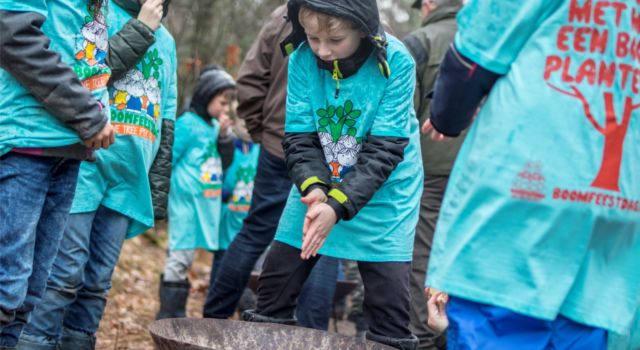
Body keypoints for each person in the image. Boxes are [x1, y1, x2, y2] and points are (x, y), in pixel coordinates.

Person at [424, 1, 639, 348]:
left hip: (524, 194)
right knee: (582, 326)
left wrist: (448, 115)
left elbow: (472, 57)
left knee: (499, 326)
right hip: (618, 204)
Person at [241, 1, 423, 349]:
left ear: (363, 29)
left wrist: (337, 206)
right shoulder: (301, 60)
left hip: (386, 193)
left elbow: (384, 151)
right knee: (276, 283)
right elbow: (299, 137)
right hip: (321, 183)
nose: (323, 51)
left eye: (335, 39)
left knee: (388, 305)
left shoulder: (396, 63)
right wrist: (313, 189)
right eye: (313, 38)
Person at [17, 0, 177, 348]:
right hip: (87, 164)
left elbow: (167, 117)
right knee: (63, 275)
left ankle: (78, 341)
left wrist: (157, 188)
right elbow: (86, 74)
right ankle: (36, 340)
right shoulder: (101, 14)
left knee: (97, 283)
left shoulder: (169, 42)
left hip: (129, 178)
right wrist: (142, 28)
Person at [203, 4, 339, 331]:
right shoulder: (357, 18)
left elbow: (249, 81)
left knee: (255, 231)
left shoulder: (285, 14)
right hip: (330, 151)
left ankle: (212, 323)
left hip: (282, 144)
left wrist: (265, 133)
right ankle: (310, 336)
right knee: (324, 240)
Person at [0, 0, 115, 347]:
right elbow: (14, 33)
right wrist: (87, 115)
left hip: (68, 148)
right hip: (26, 143)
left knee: (31, 292)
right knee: (7, 287)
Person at [401, 1, 462, 349]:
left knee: (421, 257)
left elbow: (401, 114)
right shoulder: (487, 41)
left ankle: (421, 339)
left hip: (430, 171)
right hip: (478, 177)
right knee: (461, 256)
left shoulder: (419, 42)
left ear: (428, 4)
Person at [155, 65, 235, 320]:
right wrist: (162, 198)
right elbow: (168, 158)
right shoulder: (187, 124)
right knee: (180, 255)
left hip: (204, 205)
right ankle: (169, 316)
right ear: (207, 95)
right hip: (185, 204)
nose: (225, 110)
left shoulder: (214, 127)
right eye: (222, 103)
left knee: (187, 257)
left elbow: (224, 163)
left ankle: (175, 313)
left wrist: (224, 138)